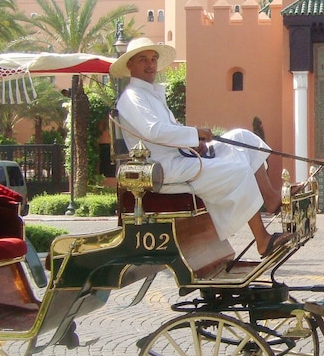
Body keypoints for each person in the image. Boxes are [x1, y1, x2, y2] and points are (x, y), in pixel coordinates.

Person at [111, 37, 295, 257]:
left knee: (243, 138)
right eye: (143, 59)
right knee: (238, 170)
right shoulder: (132, 97)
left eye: (153, 59)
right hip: (165, 169)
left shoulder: (151, 94)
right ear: (130, 64)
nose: (150, 64)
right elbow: (154, 131)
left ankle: (272, 198)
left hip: (181, 157)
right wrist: (194, 134)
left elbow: (166, 132)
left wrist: (193, 145)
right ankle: (262, 240)